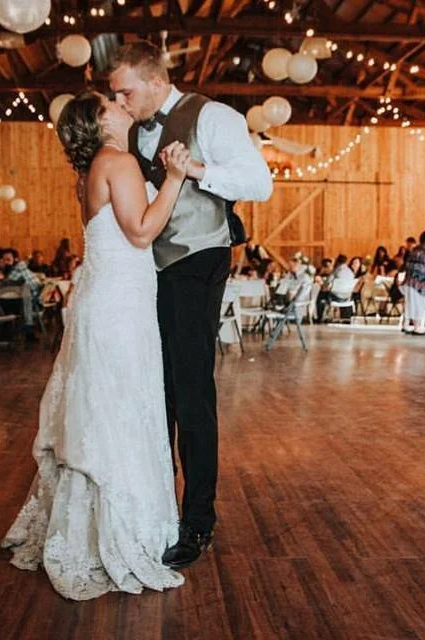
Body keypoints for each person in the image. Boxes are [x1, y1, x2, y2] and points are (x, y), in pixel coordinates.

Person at [2, 91, 194, 600]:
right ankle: (121, 532)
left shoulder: (93, 169)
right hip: (121, 305)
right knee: (125, 407)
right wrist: (174, 179)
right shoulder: (119, 161)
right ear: (101, 122)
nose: (119, 101)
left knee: (105, 407)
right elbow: (142, 230)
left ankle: (87, 526)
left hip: (105, 299)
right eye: (110, 101)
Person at [111, 41, 272, 569]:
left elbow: (260, 183)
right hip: (146, 270)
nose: (121, 101)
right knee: (155, 391)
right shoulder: (133, 131)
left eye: (126, 91)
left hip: (198, 260)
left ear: (156, 82)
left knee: (189, 386)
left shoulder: (214, 116)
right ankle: (157, 507)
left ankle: (198, 519)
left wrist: (197, 168)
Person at [403, 231, 425, 335]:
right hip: (421, 283)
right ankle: (417, 327)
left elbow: (407, 266)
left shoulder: (414, 251)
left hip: (410, 281)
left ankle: (406, 325)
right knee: (419, 304)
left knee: (410, 304)